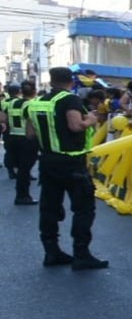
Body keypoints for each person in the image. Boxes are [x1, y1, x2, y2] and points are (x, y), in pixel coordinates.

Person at [25, 67, 107, 269]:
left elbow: (30, 135)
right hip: (72, 163)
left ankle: (51, 252)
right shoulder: (70, 100)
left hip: (48, 161)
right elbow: (75, 125)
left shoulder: (35, 103)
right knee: (84, 208)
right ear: (70, 81)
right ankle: (81, 254)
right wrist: (91, 119)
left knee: (50, 207)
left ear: (51, 81)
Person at [2, 83, 37, 204]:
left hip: (12, 137)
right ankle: (22, 196)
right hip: (26, 140)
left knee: (22, 168)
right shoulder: (32, 104)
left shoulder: (11, 103)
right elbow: (33, 123)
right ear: (34, 91)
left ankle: (21, 194)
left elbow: (3, 118)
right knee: (24, 169)